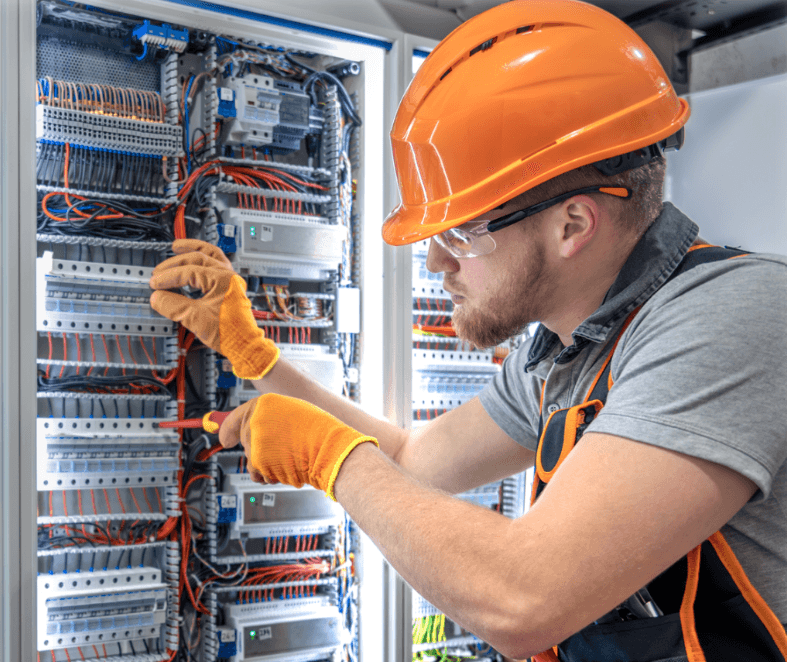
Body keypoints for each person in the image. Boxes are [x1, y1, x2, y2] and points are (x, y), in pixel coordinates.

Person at [149, 1, 787, 660]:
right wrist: (255, 357)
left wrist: (332, 461)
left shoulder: (734, 317)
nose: (434, 262)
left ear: (572, 224)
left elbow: (523, 600)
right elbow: (412, 461)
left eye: (461, 233)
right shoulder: (566, 354)